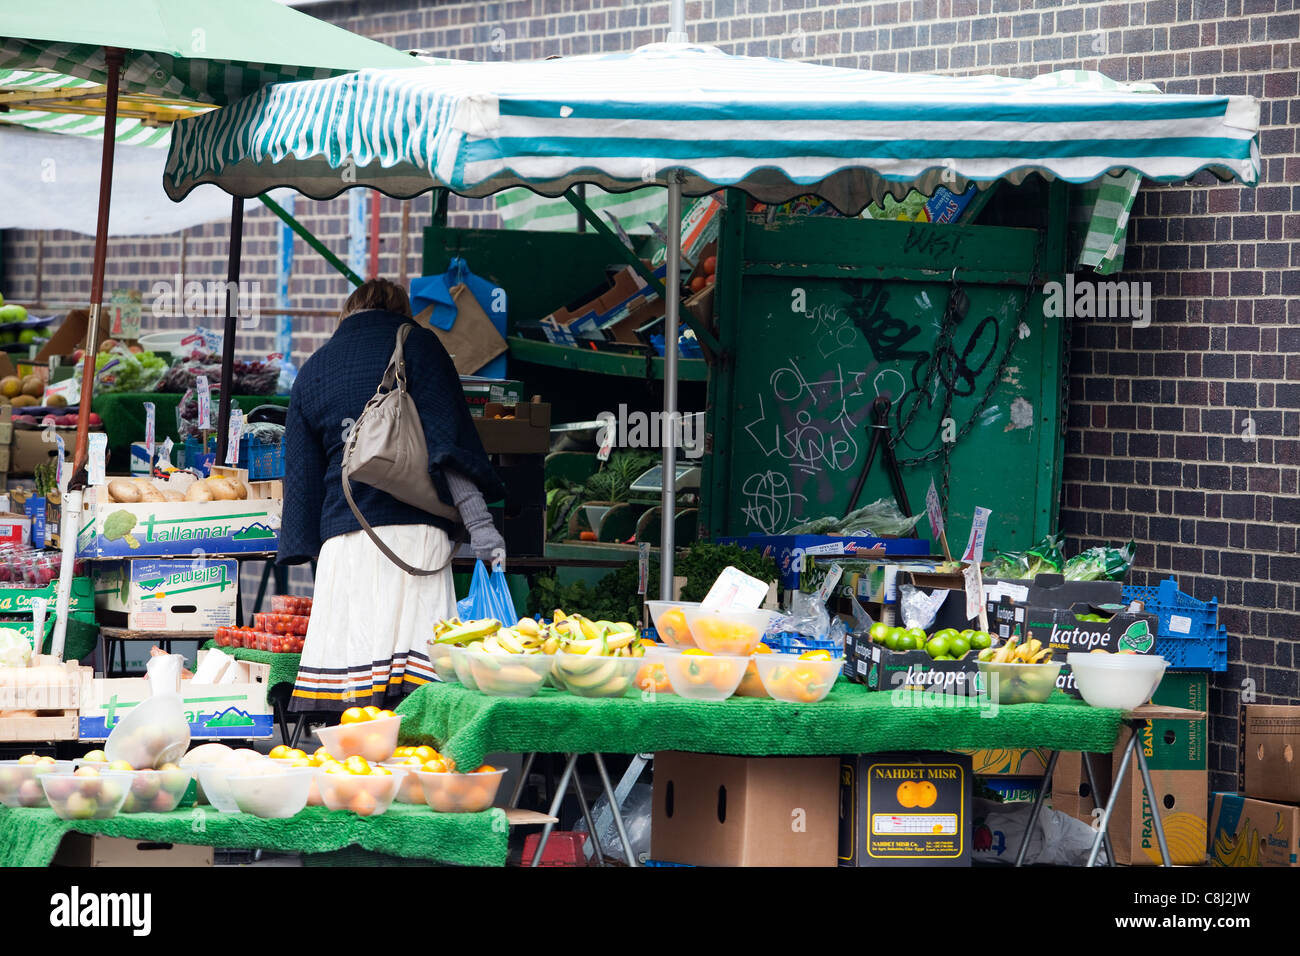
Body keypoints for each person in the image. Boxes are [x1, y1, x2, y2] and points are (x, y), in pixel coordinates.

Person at [277, 278, 505, 714]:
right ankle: (419, 773)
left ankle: (357, 775)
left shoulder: (313, 369)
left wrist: (319, 564)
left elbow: (302, 484)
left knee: (354, 695)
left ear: (348, 312)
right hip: (413, 538)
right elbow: (447, 444)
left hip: (343, 546)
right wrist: (480, 524)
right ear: (401, 310)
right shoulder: (418, 344)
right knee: (418, 690)